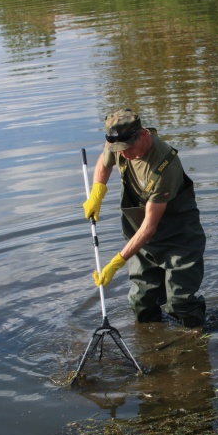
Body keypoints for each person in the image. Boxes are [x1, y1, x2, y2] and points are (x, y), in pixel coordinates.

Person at [83, 108, 206, 327]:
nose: (123, 154)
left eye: (127, 148)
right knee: (141, 302)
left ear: (142, 134)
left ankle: (198, 336)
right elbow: (104, 160)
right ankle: (153, 338)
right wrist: (97, 193)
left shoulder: (164, 166)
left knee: (180, 303)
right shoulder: (119, 143)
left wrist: (117, 262)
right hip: (141, 240)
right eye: (118, 149)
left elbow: (149, 226)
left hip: (178, 238)